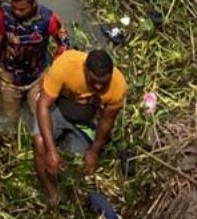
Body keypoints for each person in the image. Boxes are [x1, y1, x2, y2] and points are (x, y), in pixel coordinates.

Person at [33, 49, 127, 204]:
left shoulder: (118, 86)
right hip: (57, 111)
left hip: (85, 122)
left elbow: (106, 121)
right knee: (40, 142)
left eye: (103, 83)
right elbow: (43, 104)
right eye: (93, 81)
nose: (97, 87)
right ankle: (51, 192)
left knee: (78, 162)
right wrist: (51, 150)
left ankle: (70, 193)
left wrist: (94, 151)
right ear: (85, 70)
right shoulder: (65, 65)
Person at [0, 0, 71, 131]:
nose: (17, 12)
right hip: (8, 79)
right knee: (8, 123)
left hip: (37, 78)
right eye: (14, 8)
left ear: (34, 2)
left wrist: (53, 70)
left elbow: (65, 42)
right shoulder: (3, 11)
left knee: (41, 121)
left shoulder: (49, 19)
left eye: (22, 9)